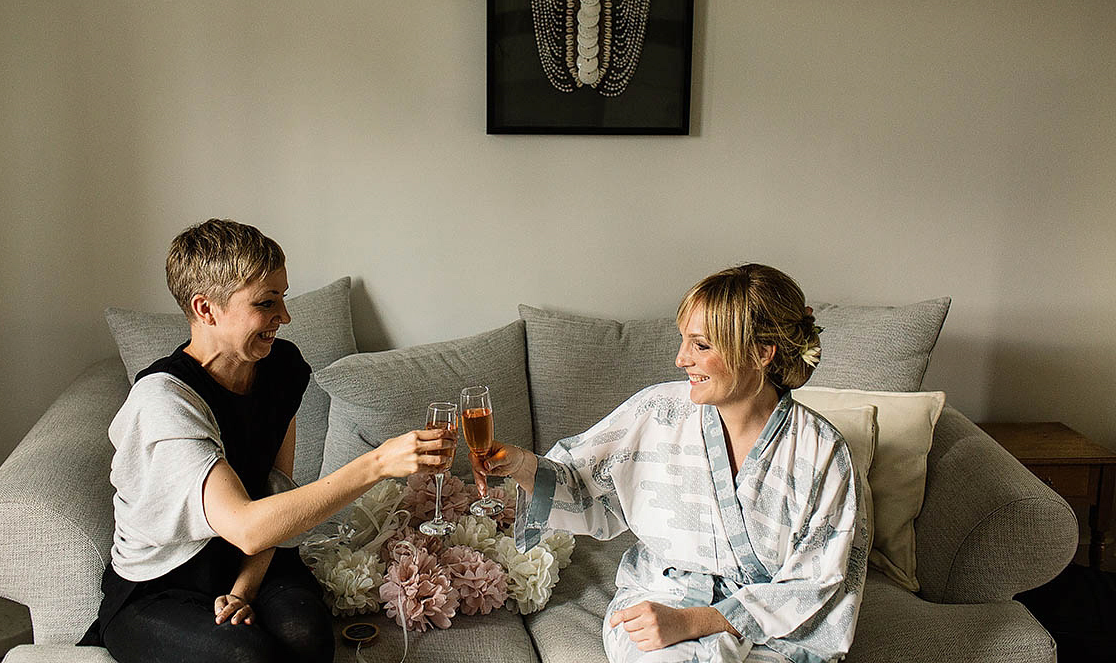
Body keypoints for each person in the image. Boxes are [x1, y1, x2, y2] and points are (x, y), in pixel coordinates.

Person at [81, 219, 454, 663]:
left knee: (307, 639)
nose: (284, 316)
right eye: (266, 302)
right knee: (249, 655)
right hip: (163, 581)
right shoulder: (163, 400)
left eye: (282, 296)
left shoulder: (281, 368)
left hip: (252, 559)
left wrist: (244, 590)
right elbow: (247, 524)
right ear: (205, 308)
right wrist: (377, 463)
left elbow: (275, 490)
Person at [483, 264, 868, 663]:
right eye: (683, 340)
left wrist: (703, 621)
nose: (681, 358)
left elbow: (818, 583)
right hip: (663, 601)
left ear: (762, 353)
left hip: (774, 628)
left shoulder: (821, 451)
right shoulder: (658, 410)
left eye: (701, 346)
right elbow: (582, 486)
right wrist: (521, 465)